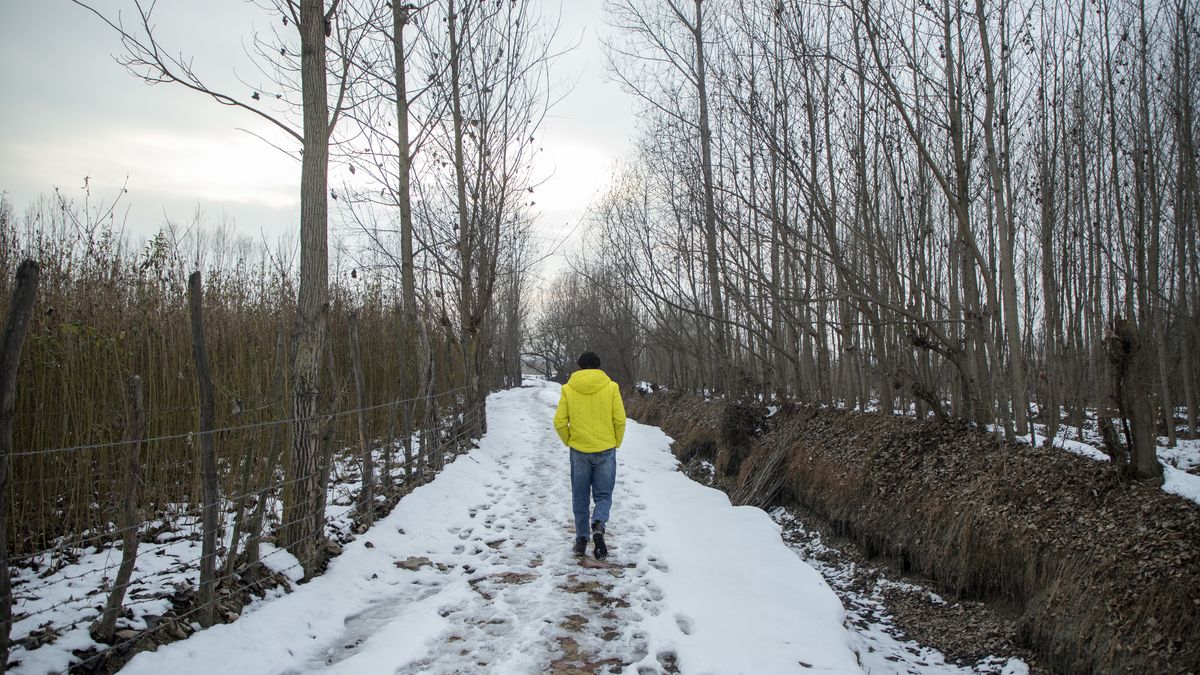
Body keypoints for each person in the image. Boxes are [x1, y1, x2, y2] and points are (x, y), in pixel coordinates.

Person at [553, 351, 626, 559]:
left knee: (580, 495)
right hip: (605, 448)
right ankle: (599, 524)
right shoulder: (611, 387)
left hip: (579, 450)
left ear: (579, 367)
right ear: (599, 366)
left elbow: (559, 422)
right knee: (604, 495)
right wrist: (615, 442)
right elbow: (620, 420)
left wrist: (569, 440)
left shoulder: (568, 389)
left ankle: (581, 540)